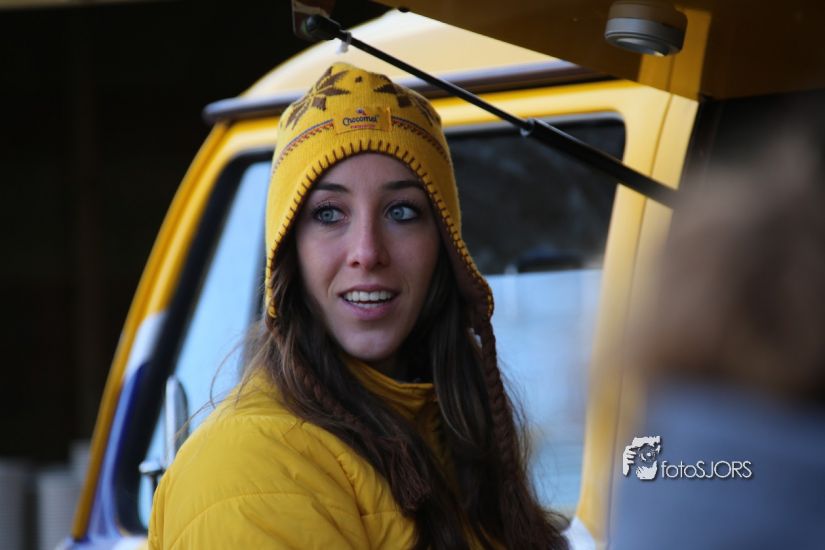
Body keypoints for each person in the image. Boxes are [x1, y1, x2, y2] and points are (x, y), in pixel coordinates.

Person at [147, 62, 568, 549]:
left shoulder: (460, 438)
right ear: (289, 251)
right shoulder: (247, 466)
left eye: (401, 212)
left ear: (445, 246)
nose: (367, 252)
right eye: (329, 214)